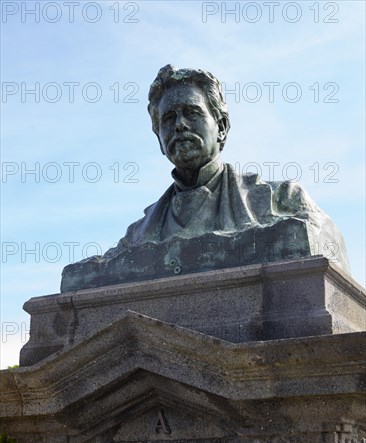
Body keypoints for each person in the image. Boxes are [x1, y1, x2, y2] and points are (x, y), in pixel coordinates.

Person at [61, 65, 349, 291]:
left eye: (192, 113)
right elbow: (82, 277)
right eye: (168, 119)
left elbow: (320, 240)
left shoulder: (283, 200)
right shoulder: (136, 236)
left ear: (221, 127)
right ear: (159, 138)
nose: (180, 125)